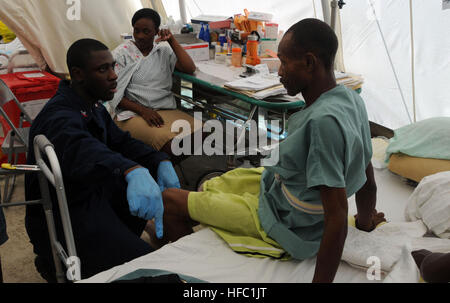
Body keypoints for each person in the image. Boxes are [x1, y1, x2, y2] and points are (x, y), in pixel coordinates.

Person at [157, 18, 386, 283]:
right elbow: (367, 178)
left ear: (310, 63)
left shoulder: (323, 123)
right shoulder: (351, 99)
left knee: (169, 200)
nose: (279, 72)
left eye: (284, 63)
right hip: (279, 190)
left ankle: (192, 267)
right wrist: (365, 222)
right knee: (217, 183)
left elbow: (336, 217)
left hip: (288, 224)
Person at [24, 38, 180, 281]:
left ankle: (112, 250)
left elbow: (120, 141)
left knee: (142, 206)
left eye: (113, 67)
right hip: (68, 216)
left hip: (90, 197)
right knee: (159, 276)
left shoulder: (92, 105)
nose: (113, 76)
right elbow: (81, 148)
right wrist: (130, 169)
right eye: (102, 69)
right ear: (78, 74)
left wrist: (159, 159)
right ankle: (58, 262)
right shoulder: (60, 115)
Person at [108, 8, 202, 157]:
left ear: (157, 31)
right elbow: (113, 94)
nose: (140, 36)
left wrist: (171, 40)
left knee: (203, 132)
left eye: (146, 31)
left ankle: (161, 165)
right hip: (130, 113)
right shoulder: (122, 54)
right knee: (171, 144)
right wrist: (143, 111)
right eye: (136, 30)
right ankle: (159, 166)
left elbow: (189, 68)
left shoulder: (163, 52)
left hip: (164, 109)